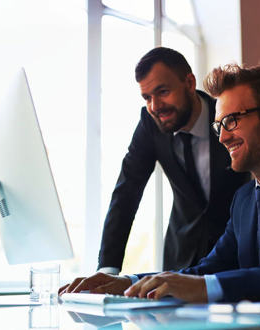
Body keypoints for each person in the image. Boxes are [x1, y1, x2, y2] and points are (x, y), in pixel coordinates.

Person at [61, 64, 260, 303]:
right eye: (218, 125)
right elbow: (208, 269)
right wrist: (127, 282)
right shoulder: (243, 201)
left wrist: (210, 287)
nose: (223, 136)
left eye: (231, 121)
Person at [98, 48, 249, 274]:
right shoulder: (149, 124)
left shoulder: (227, 117)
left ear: (189, 83)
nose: (155, 106)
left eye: (163, 92)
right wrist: (107, 269)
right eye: (147, 97)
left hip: (234, 260)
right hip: (180, 260)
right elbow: (126, 192)